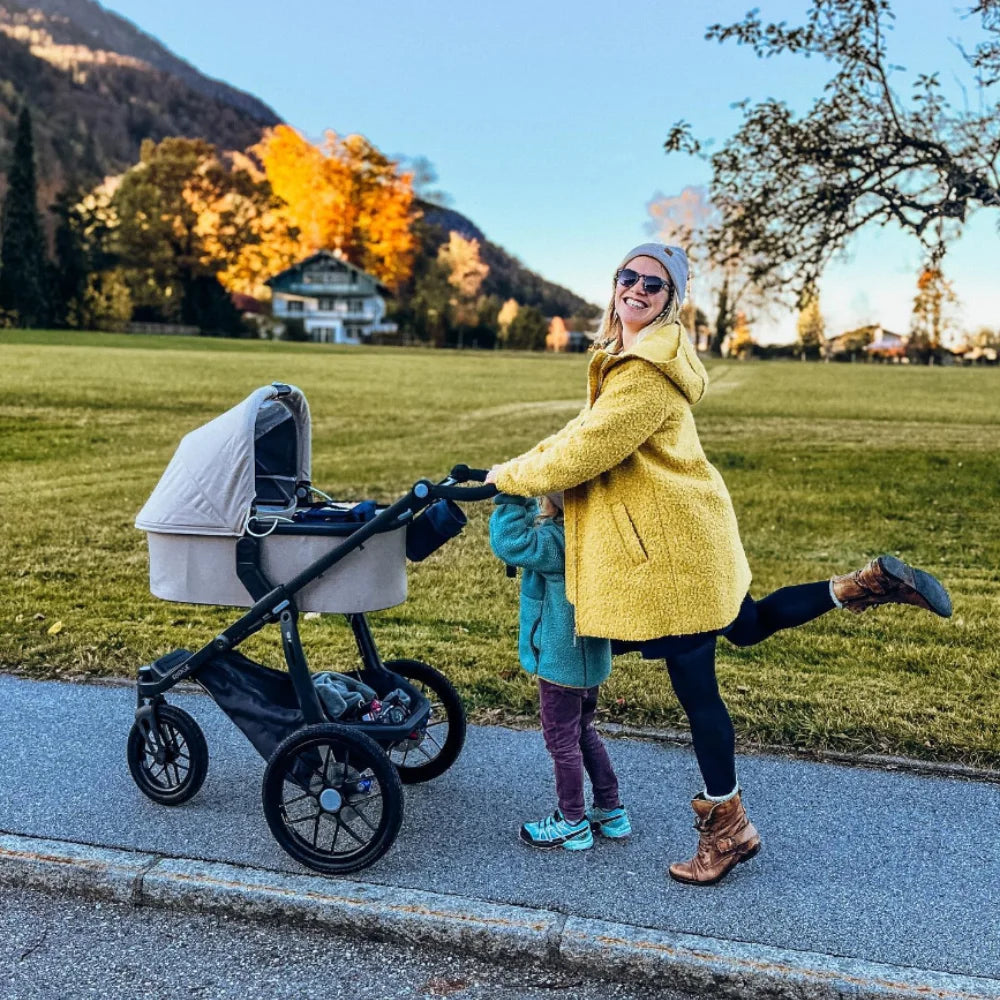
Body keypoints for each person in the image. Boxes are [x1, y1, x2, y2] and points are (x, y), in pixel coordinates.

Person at [486, 242, 951, 885]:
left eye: (654, 284)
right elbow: (577, 432)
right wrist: (514, 465)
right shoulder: (632, 358)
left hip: (670, 556)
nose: (638, 289)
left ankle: (726, 831)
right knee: (746, 624)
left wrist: (505, 479)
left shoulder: (645, 370)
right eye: (630, 276)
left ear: (670, 299)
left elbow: (584, 452)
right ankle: (864, 584)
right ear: (615, 283)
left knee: (696, 690)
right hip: (689, 535)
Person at [489, 489, 631, 851]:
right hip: (590, 658)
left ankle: (571, 821)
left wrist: (512, 500)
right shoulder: (595, 536)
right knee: (584, 730)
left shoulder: (557, 539)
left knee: (560, 742)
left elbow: (509, 543)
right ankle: (610, 810)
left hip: (560, 662)